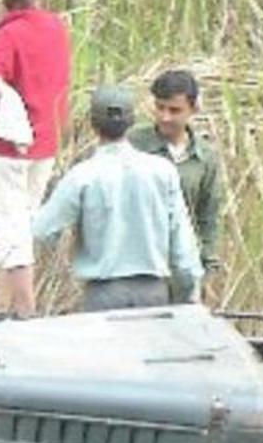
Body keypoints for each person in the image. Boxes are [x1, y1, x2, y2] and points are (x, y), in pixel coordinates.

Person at [33, 84, 203, 312]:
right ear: (131, 121)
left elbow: (42, 230)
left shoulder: (82, 176)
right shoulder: (163, 171)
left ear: (93, 124)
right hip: (153, 293)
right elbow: (183, 246)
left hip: (103, 294)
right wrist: (189, 293)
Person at [0, 0, 71, 319]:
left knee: (10, 224)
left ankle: (24, 311)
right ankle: (0, 305)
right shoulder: (56, 28)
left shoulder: (9, 34)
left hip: (11, 145)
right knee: (26, 219)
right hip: (46, 138)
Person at [130, 69, 224, 303]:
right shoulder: (133, 145)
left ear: (193, 109)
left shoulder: (205, 158)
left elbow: (208, 217)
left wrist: (207, 270)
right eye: (160, 107)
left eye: (174, 110)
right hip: (138, 266)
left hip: (183, 268)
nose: (165, 117)